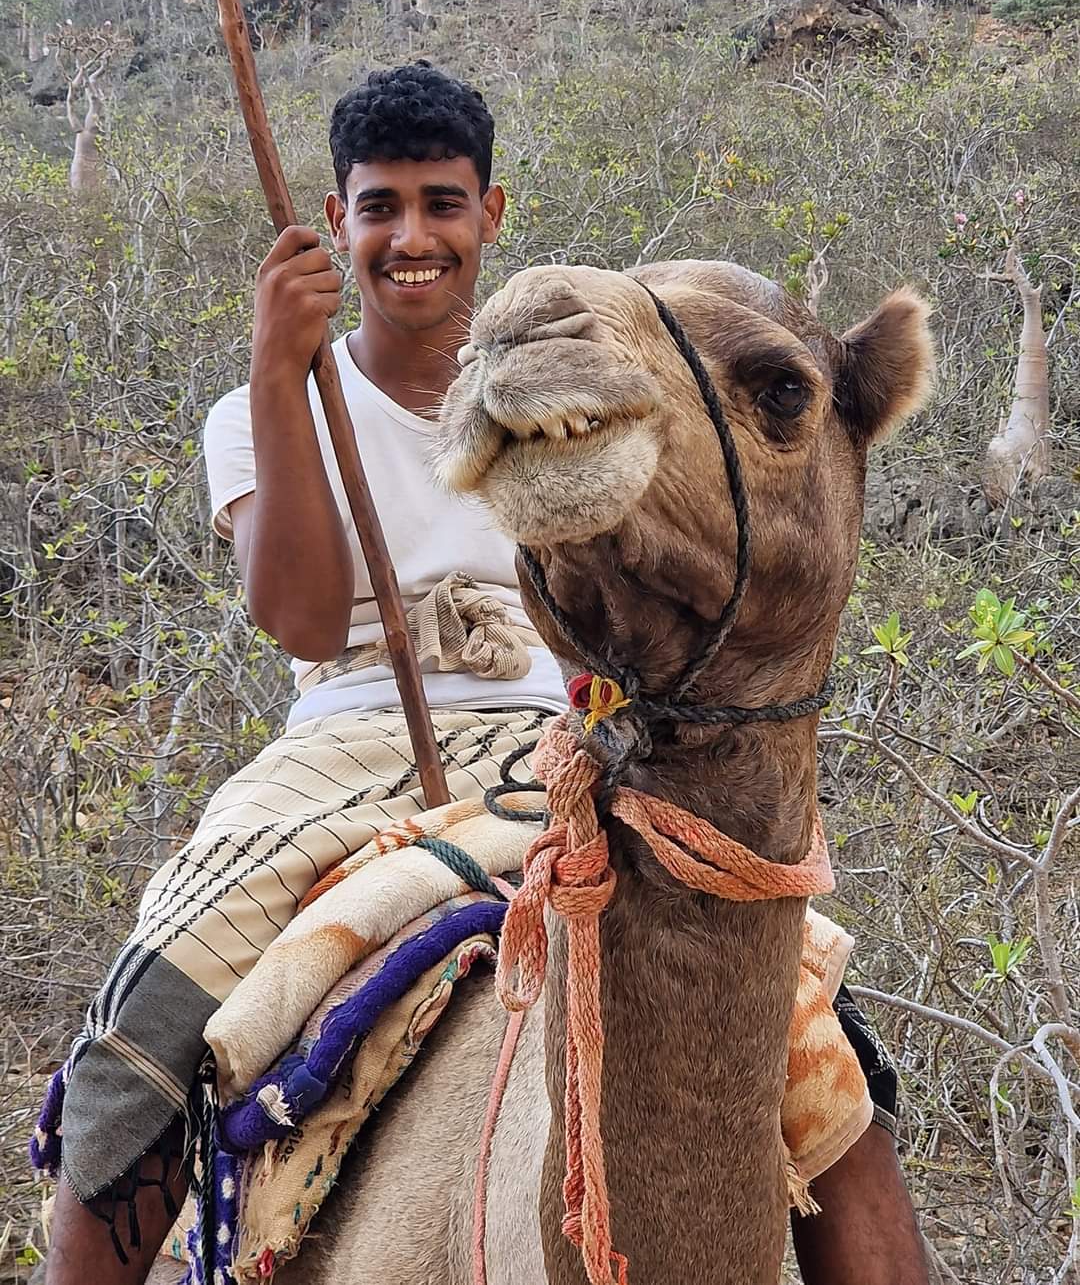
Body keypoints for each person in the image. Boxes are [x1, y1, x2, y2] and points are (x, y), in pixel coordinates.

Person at [39, 62, 930, 1285]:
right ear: (341, 223)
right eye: (381, 207)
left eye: (442, 205)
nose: (413, 237)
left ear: (489, 213)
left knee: (820, 1041)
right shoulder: (268, 405)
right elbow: (293, 611)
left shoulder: (559, 392)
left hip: (545, 747)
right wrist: (274, 364)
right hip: (334, 757)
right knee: (137, 1042)